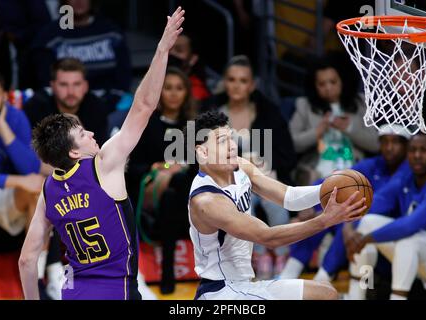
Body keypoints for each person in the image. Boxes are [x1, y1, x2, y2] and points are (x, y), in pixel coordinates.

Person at [18, 7, 185, 300]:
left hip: (74, 292)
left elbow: (27, 260)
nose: (93, 134)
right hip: (117, 290)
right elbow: (144, 105)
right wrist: (161, 50)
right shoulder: (104, 164)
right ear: (73, 151)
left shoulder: (49, 189)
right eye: (83, 134)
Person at [186, 110, 367, 300]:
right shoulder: (207, 201)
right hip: (221, 293)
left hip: (244, 285)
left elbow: (289, 197)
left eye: (231, 138)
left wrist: (329, 188)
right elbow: (268, 237)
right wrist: (324, 221)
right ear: (203, 152)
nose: (232, 146)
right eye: (222, 142)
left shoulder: (240, 167)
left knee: (326, 293)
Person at [202, 55, 297, 279]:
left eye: (243, 81)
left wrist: (263, 162)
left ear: (252, 85)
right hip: (226, 182)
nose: (237, 85)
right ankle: (258, 256)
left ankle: (282, 256)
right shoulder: (210, 113)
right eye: (232, 79)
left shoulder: (269, 112)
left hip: (264, 177)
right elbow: (199, 154)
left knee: (276, 205)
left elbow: (288, 155)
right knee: (244, 203)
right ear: (224, 82)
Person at [280, 124, 410, 281]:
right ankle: (289, 273)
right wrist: (307, 203)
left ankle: (323, 278)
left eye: (395, 142)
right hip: (357, 231)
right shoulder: (373, 164)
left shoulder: (409, 171)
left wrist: (348, 221)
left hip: (389, 235)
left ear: (406, 145)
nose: (389, 147)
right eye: (385, 142)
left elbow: (381, 201)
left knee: (346, 216)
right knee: (324, 217)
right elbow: (336, 180)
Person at [346, 133, 426, 300]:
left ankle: (397, 298)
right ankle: (360, 291)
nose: (417, 155)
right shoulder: (407, 177)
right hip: (417, 257)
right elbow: (375, 203)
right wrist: (348, 227)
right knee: (366, 223)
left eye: (424, 150)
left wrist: (367, 239)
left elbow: (409, 226)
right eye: (412, 150)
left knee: (407, 241)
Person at [126, 66, 196, 294]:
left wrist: (182, 168)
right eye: (168, 88)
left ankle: (170, 272)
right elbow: (131, 168)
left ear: (186, 92)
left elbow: (205, 166)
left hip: (187, 195)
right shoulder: (147, 124)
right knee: (170, 194)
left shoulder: (196, 126)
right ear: (159, 92)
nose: (174, 94)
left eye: (179, 88)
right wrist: (158, 167)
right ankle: (167, 271)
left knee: (177, 190)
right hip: (151, 195)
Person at [289, 55, 379, 185]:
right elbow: (292, 143)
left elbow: (375, 143)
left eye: (333, 82)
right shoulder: (304, 105)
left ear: (343, 81)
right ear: (314, 86)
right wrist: (317, 132)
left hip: (354, 169)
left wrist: (349, 129)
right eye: (322, 84)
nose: (328, 88)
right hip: (317, 172)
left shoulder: (360, 103)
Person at [30, 0, 132, 93]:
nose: (79, 1)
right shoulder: (49, 35)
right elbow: (44, 81)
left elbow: (123, 76)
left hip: (109, 102)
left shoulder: (112, 32)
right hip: (64, 102)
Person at [0, 68, 45, 235]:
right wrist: (19, 181)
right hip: (4, 185)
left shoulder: (16, 117)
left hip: (4, 191)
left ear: (4, 96)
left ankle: (39, 261)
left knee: (39, 191)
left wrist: (1, 126)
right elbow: (24, 177)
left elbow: (30, 168)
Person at [23, 58, 109, 146]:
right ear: (52, 86)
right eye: (63, 84)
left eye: (76, 84)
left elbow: (99, 152)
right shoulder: (36, 107)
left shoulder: (97, 107)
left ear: (85, 86)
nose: (70, 92)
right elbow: (30, 150)